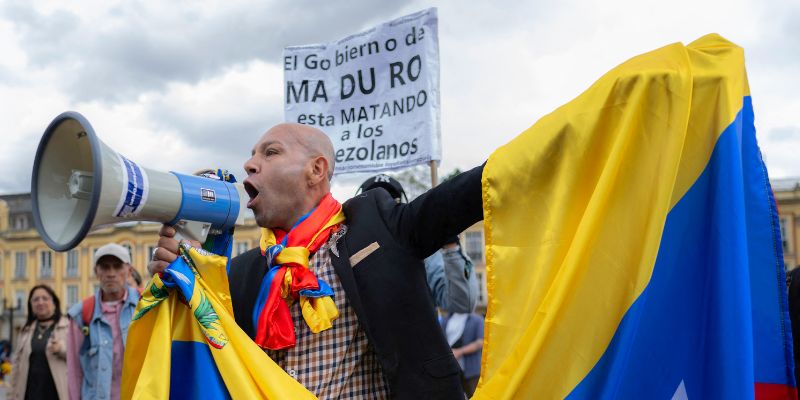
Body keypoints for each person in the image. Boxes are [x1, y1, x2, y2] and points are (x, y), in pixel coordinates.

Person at [150, 122, 484, 399]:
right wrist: (181, 288)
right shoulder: (242, 271)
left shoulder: (381, 226)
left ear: (316, 169)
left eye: (270, 152)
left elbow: (474, 190)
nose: (249, 164)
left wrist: (535, 153)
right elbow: (205, 364)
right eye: (251, 155)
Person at [358, 174, 479, 313]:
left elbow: (462, 304)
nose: (381, 208)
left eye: (391, 200)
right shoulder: (344, 251)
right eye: (371, 201)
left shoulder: (425, 255)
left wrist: (450, 244)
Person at [67, 243, 140, 400]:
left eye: (117, 266)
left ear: (129, 271)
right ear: (96, 272)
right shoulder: (81, 314)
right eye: (105, 267)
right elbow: (74, 371)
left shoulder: (146, 305)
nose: (111, 273)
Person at [9, 284, 69, 399]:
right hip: (30, 394)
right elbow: (16, 365)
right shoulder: (25, 330)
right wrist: (11, 395)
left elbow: (81, 359)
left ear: (54, 303)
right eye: (35, 299)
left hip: (58, 394)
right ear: (31, 305)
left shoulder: (68, 326)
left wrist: (62, 349)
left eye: (45, 298)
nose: (40, 302)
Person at [441, 312, 484, 397]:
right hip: (451, 371)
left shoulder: (477, 319)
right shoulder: (445, 319)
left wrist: (459, 352)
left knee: (475, 396)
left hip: (471, 371)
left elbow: (480, 342)